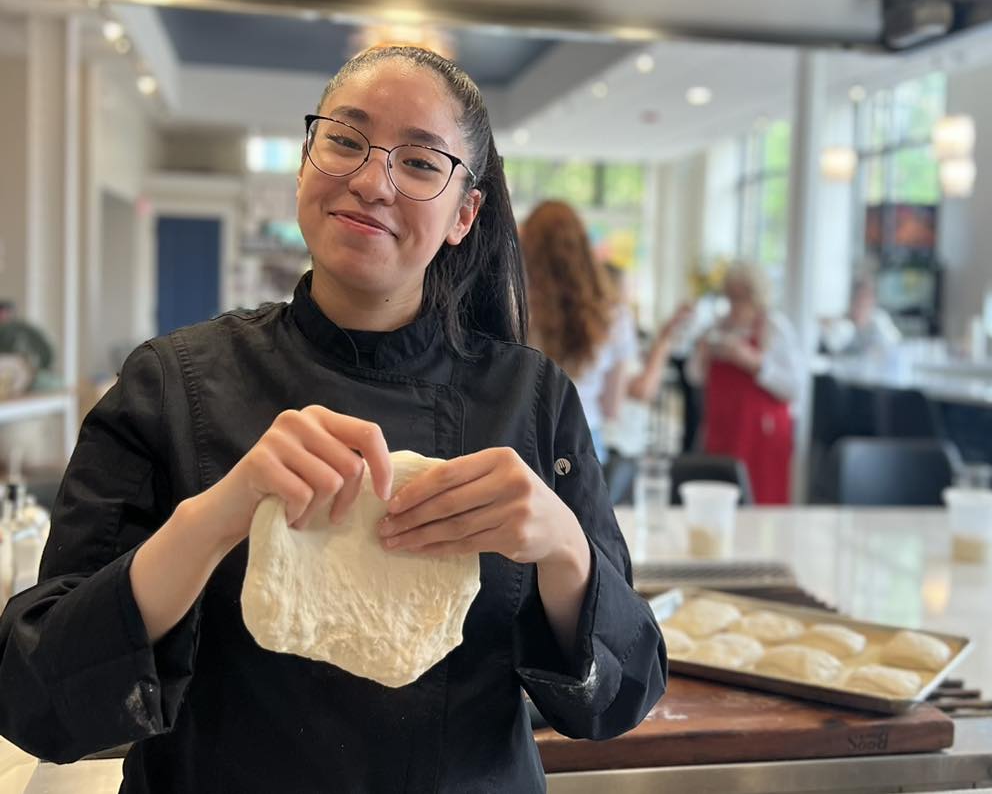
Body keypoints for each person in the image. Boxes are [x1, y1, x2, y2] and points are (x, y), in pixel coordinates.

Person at [0, 46, 666, 793]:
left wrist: (562, 547)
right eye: (345, 140)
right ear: (304, 163)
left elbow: (623, 693)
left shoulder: (532, 399)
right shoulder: (171, 386)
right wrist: (217, 515)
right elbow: (36, 698)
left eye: (419, 163)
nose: (371, 180)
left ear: (463, 214)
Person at [520, 201, 636, 464]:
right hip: (586, 441)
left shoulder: (516, 309)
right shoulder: (614, 315)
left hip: (526, 441)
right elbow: (611, 408)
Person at [687, 260, 802, 504]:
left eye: (742, 298)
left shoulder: (774, 328)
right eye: (731, 298)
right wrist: (703, 353)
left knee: (762, 502)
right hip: (723, 433)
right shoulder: (717, 329)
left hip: (762, 437)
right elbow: (694, 376)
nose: (736, 306)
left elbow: (793, 387)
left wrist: (752, 362)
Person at [820, 272, 901, 358]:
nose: (862, 305)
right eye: (859, 300)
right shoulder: (844, 325)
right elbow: (833, 345)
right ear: (852, 302)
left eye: (866, 301)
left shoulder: (879, 319)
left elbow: (895, 343)